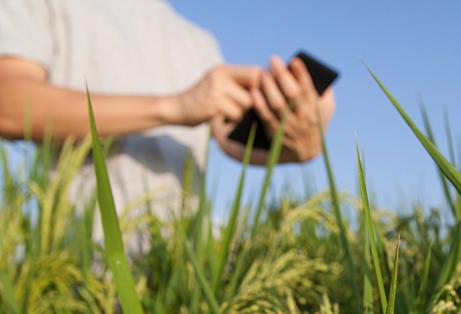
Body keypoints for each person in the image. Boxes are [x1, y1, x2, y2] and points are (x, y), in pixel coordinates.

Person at [0, 0, 335, 247]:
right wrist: (174, 107)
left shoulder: (197, 40)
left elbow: (228, 138)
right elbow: (9, 103)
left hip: (183, 270)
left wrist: (296, 143)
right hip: (85, 262)